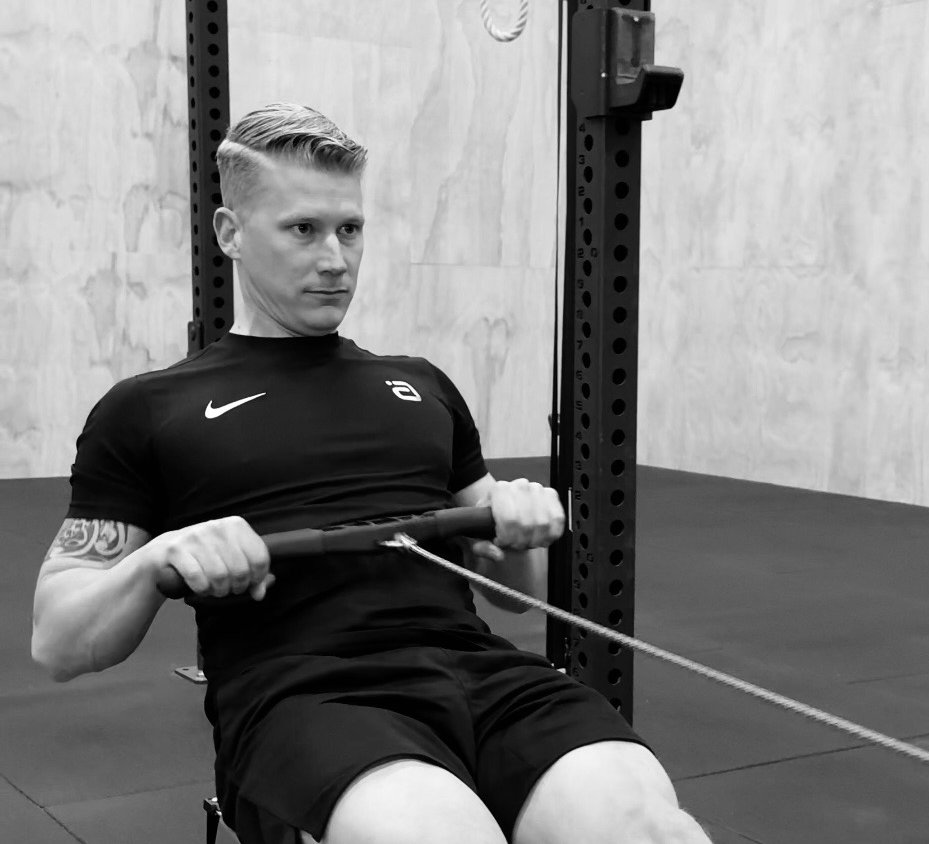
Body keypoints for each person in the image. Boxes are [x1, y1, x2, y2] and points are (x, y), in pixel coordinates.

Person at [30, 103, 712, 844]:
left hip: (482, 675)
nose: (335, 258)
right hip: (307, 697)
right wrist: (156, 561)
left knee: (649, 830)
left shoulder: (420, 383)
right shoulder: (148, 408)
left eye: (349, 229)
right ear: (230, 233)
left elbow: (516, 593)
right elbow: (58, 641)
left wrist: (518, 529)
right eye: (303, 229)